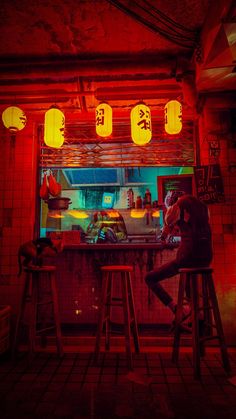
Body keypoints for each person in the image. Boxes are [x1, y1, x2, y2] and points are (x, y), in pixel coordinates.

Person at [145, 193, 213, 316]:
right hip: (206, 258)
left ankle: (176, 309)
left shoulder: (178, 205)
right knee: (188, 274)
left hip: (188, 258)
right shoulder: (203, 207)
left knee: (150, 278)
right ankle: (195, 315)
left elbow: (168, 222)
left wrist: (164, 237)